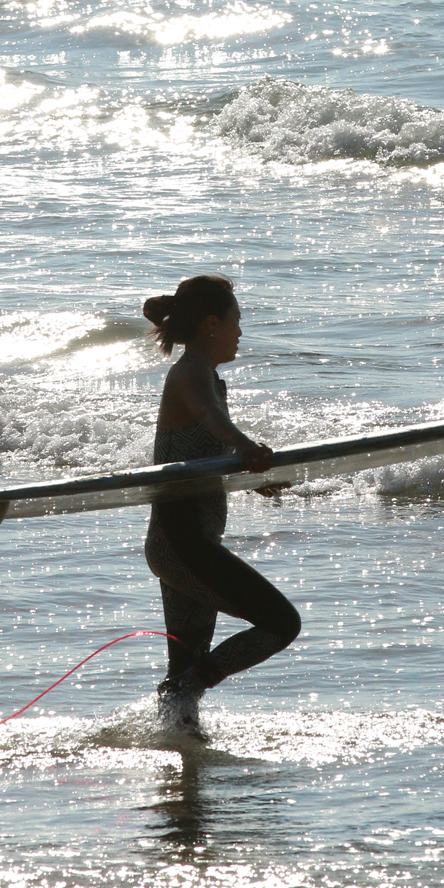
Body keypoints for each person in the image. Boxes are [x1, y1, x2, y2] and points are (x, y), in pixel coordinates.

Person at [142, 275, 301, 741]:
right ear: (212, 323)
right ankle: (185, 697)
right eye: (236, 321)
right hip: (183, 544)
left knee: (185, 666)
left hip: (184, 544)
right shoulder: (190, 371)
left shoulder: (207, 377)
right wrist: (247, 446)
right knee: (281, 623)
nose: (240, 332)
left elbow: (201, 455)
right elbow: (211, 421)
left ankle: (182, 767)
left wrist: (246, 476)